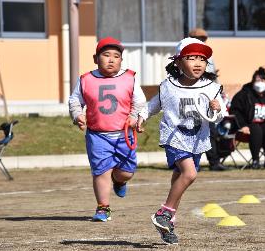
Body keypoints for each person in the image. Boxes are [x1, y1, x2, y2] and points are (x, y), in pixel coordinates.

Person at [137, 37, 225, 244]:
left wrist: (217, 108)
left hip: (197, 139)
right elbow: (153, 105)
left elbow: (220, 113)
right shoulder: (168, 86)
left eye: (202, 59)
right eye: (191, 58)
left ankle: (168, 222)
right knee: (189, 174)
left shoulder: (211, 87)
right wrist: (140, 117)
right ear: (178, 62)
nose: (198, 63)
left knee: (180, 178)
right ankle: (164, 213)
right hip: (174, 136)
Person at [68, 37, 146, 222]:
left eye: (116, 56)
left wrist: (134, 116)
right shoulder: (86, 79)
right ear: (96, 58)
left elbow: (140, 101)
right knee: (101, 171)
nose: (111, 59)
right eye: (106, 55)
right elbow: (74, 100)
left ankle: (119, 181)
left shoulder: (129, 78)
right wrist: (77, 115)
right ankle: (103, 207)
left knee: (126, 172)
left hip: (124, 135)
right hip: (98, 135)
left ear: (121, 60)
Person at [188, 27, 228, 171]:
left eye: (204, 39)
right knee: (191, 130)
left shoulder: (209, 55)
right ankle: (190, 162)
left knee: (210, 130)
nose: (203, 41)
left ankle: (214, 161)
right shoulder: (185, 54)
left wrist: (218, 91)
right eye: (200, 39)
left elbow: (213, 76)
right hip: (190, 97)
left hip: (207, 96)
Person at [229, 67, 265, 169]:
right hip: (249, 124)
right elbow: (235, 110)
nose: (260, 83)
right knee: (256, 130)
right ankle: (255, 160)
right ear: (253, 81)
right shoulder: (244, 93)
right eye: (257, 80)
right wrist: (242, 125)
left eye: (262, 80)